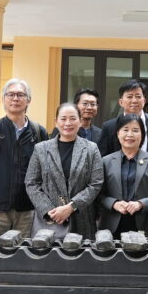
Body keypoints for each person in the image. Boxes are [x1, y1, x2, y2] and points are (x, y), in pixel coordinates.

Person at [0, 79, 49, 239]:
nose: (15, 98)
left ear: (28, 100)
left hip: (28, 210)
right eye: (11, 94)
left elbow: (44, 173)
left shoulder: (39, 132)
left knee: (24, 252)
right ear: (3, 99)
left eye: (20, 95)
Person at [25, 102, 104, 240]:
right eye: (63, 119)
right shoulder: (41, 149)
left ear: (80, 121)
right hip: (50, 220)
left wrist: (71, 206)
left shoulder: (91, 149)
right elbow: (31, 182)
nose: (68, 123)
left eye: (73, 118)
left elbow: (96, 183)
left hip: (81, 218)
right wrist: (49, 210)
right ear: (56, 122)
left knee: (80, 252)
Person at [100, 113, 148, 237]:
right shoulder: (106, 161)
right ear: (118, 133)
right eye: (125, 130)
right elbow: (99, 195)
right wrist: (114, 203)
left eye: (135, 130)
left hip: (145, 223)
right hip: (113, 224)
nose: (130, 134)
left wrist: (141, 204)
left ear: (142, 135)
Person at [98, 80, 148, 171]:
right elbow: (102, 157)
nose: (134, 100)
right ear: (120, 102)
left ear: (144, 100)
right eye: (129, 96)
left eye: (138, 96)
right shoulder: (109, 126)